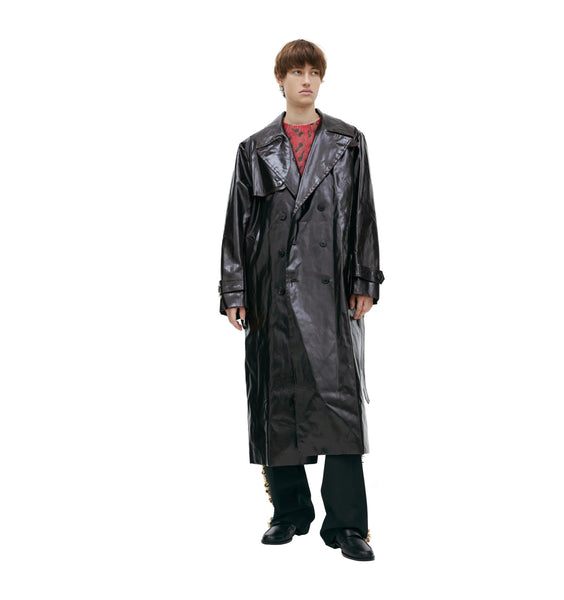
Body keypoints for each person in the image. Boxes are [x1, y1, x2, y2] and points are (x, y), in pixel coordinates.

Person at [219, 39, 384, 561]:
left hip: (332, 294)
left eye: (314, 72)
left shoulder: (348, 142)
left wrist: (364, 280)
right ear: (281, 80)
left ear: (321, 79)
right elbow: (238, 223)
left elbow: (363, 213)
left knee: (339, 407)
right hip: (270, 294)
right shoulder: (254, 148)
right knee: (277, 402)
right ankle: (288, 513)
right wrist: (234, 289)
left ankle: (348, 525)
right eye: (296, 72)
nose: (306, 80)